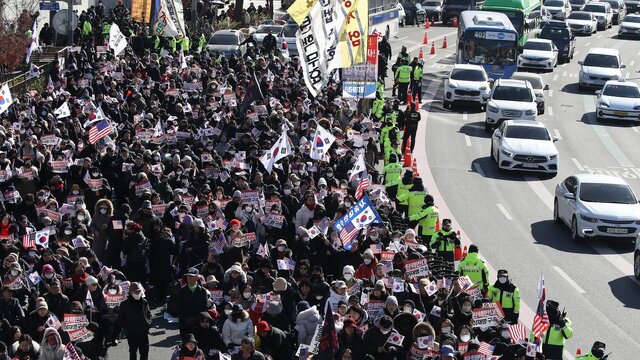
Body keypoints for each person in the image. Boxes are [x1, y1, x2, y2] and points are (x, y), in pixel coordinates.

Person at [118, 282, 152, 360]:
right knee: (133, 352)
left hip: (143, 332)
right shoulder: (124, 304)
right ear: (130, 292)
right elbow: (120, 318)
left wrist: (148, 323)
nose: (138, 293)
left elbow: (149, 314)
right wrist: (127, 328)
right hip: (131, 333)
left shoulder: (144, 302)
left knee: (144, 352)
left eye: (139, 291)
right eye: (135, 292)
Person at [176, 268, 209, 336]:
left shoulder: (203, 291)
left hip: (198, 322)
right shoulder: (181, 291)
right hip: (185, 322)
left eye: (192, 276)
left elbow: (205, 306)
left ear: (197, 277)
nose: (190, 278)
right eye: (188, 276)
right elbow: (179, 306)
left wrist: (197, 318)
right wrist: (186, 318)